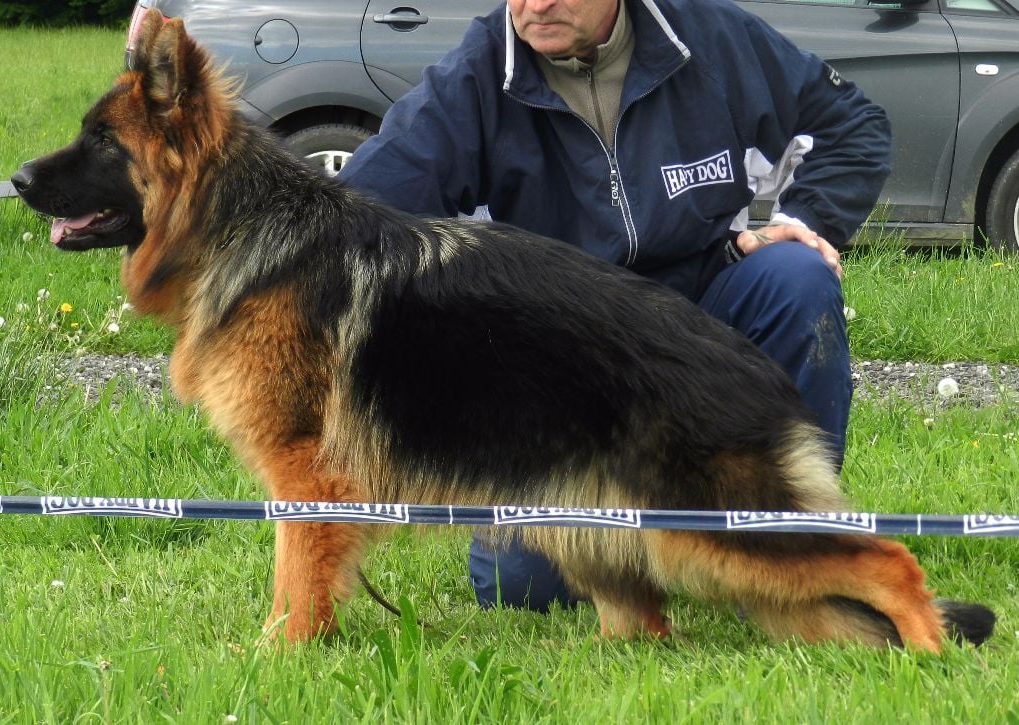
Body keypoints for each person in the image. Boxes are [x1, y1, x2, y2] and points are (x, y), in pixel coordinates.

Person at [339, 0, 891, 613]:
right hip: (563, 363)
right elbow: (356, 217)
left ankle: (791, 537)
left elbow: (850, 124)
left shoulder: (710, 35)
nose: (534, 5)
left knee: (797, 276)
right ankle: (667, 551)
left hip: (703, 314)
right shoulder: (472, 77)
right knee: (522, 590)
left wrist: (801, 219)